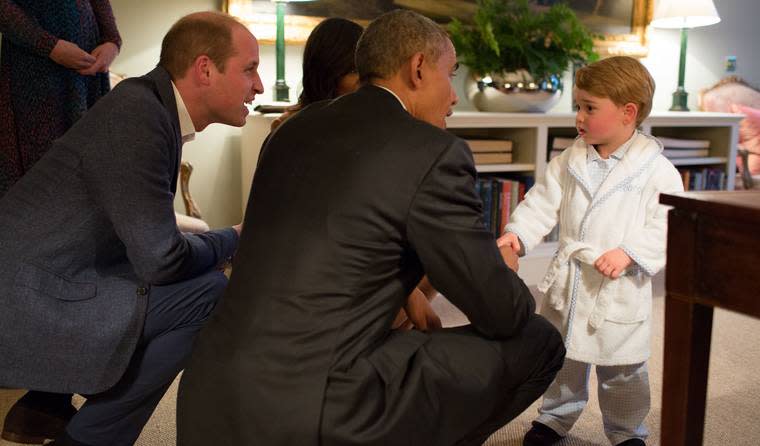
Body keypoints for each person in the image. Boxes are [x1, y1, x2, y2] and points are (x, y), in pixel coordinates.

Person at [177, 9, 565, 446]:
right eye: (450, 75)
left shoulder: (291, 129)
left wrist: (406, 290)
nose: (454, 97)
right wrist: (505, 266)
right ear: (418, 68)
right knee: (538, 339)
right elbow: (501, 312)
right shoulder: (433, 152)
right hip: (312, 410)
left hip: (209, 394)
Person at [0, 11, 263, 446]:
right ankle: (87, 439)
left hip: (48, 277)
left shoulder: (148, 106)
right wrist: (236, 235)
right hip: (28, 298)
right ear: (204, 69)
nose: (258, 85)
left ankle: (43, 409)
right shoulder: (140, 117)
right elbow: (162, 261)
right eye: (249, 69)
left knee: (196, 277)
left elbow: (147, 244)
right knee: (211, 293)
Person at [498, 56, 684, 446]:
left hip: (619, 285)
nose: (579, 118)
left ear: (628, 113)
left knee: (624, 370)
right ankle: (554, 418)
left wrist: (630, 252)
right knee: (563, 359)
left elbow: (669, 221)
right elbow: (541, 201)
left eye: (589, 108)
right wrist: (518, 235)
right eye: (577, 107)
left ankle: (627, 431)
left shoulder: (656, 169)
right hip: (572, 282)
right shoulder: (570, 159)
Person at [0, 1, 122, 442]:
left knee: (83, 230)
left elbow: (110, 28)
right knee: (44, 236)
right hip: (37, 88)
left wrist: (107, 49)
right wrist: (51, 48)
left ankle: (51, 396)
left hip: (85, 89)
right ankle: (40, 397)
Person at [0, 0, 121, 199]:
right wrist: (49, 46)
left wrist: (112, 41)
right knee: (40, 178)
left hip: (88, 75)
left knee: (88, 170)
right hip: (35, 73)